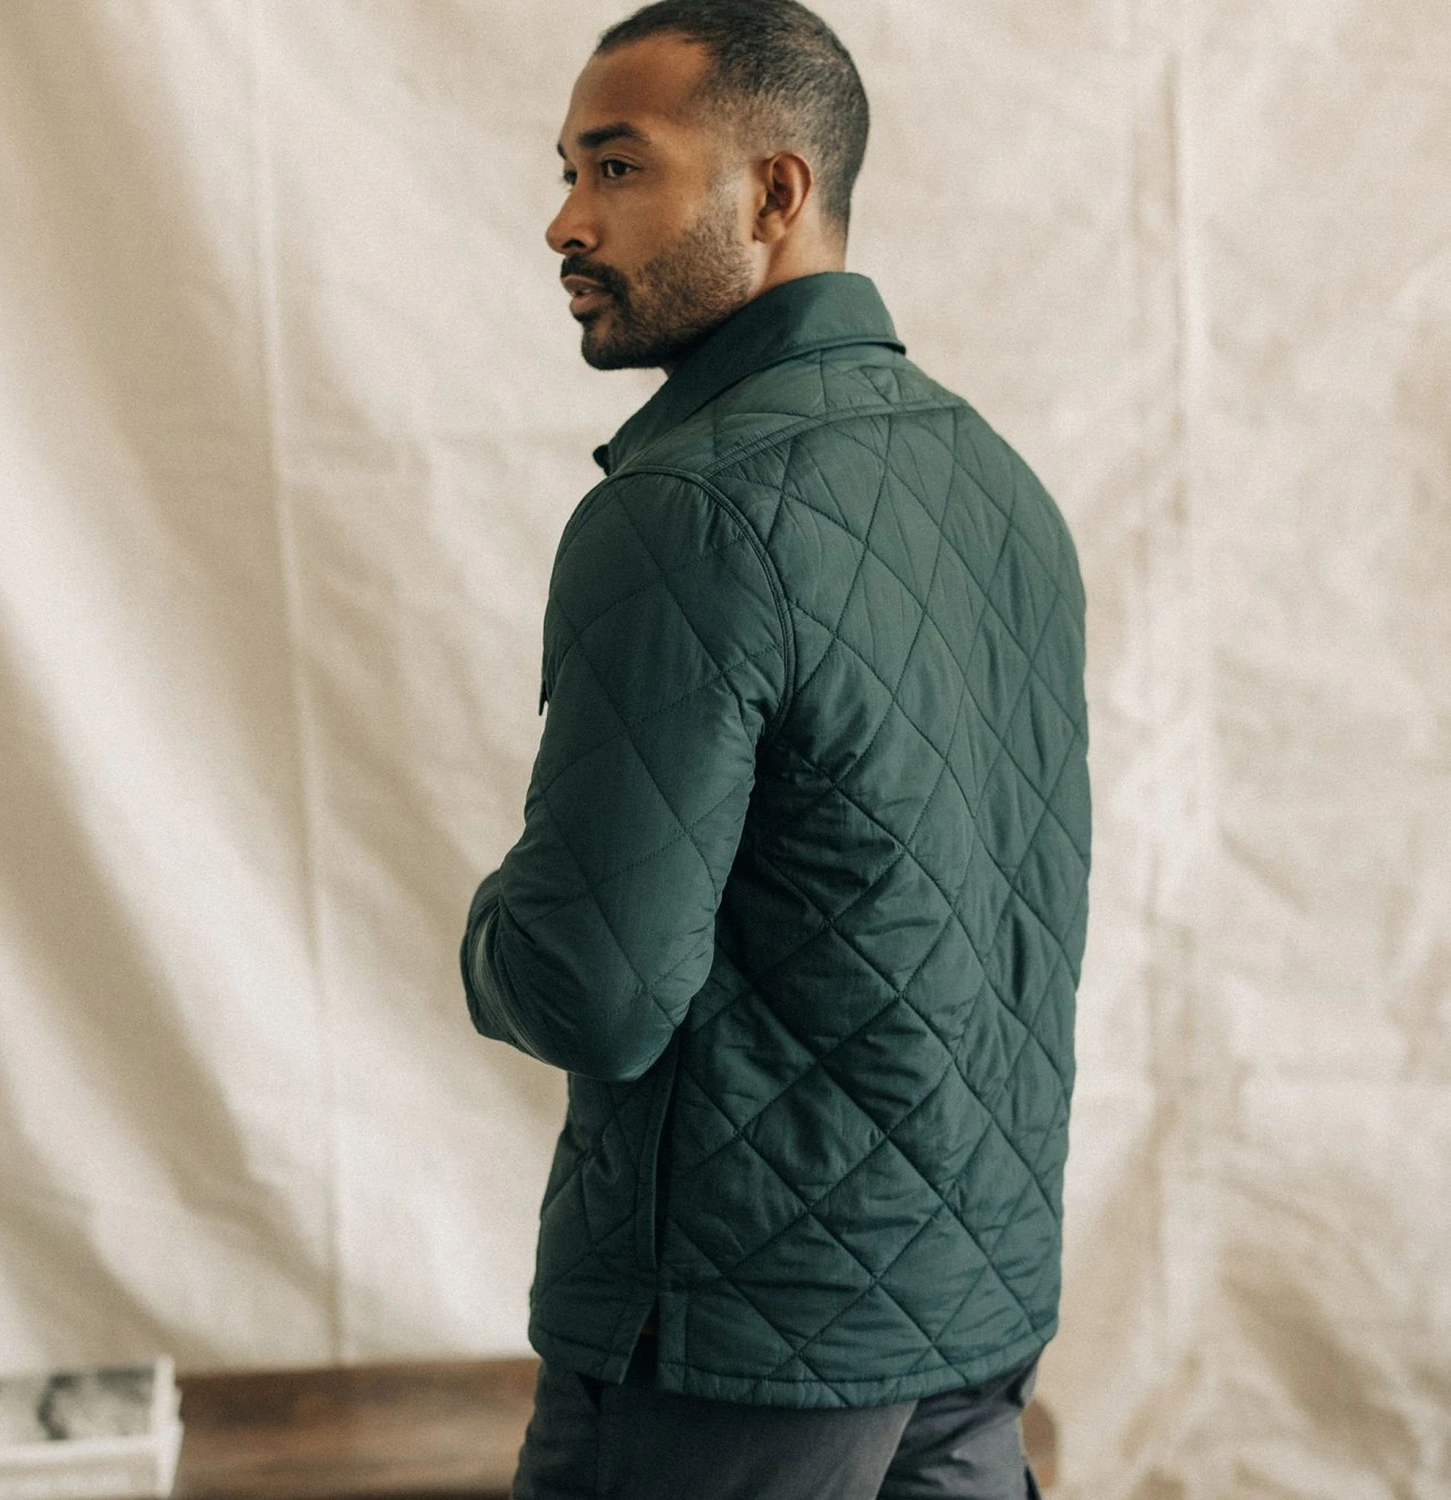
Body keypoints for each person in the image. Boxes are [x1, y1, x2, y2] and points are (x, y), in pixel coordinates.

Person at [460, 3, 1090, 1495]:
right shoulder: (998, 483)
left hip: (735, 1348)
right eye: (568, 171)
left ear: (775, 194)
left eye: (619, 167)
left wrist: (486, 935)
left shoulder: (685, 509)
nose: (566, 221)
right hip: (975, 1311)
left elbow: (593, 985)